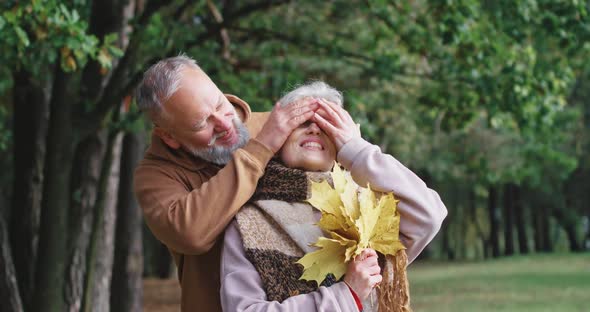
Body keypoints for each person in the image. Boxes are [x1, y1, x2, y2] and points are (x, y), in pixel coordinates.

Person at [220, 82, 448, 311]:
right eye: (302, 123)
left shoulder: (367, 207)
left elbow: (428, 215)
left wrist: (357, 150)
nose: (315, 129)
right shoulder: (248, 222)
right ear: (278, 140)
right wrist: (345, 296)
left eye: (327, 125)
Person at [133, 55, 321, 312]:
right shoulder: (156, 176)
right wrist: (262, 148)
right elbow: (191, 233)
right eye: (202, 123)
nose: (224, 124)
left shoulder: (279, 124)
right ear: (169, 136)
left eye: (221, 104)